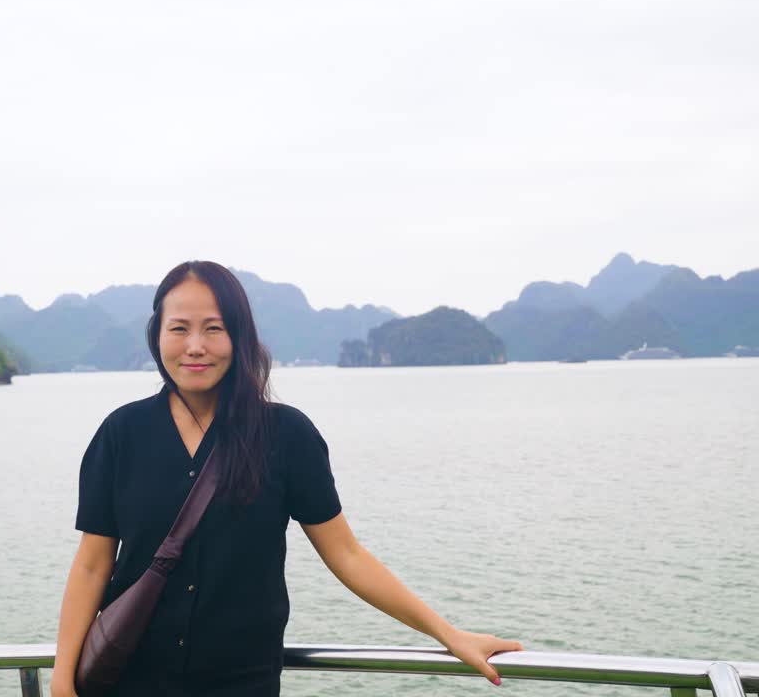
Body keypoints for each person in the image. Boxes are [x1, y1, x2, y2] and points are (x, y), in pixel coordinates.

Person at [51, 261, 521, 696]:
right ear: (158, 336)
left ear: (239, 338)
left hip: (240, 684)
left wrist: (448, 633)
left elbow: (347, 555)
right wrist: (62, 680)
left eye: (214, 329)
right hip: (131, 681)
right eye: (179, 329)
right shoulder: (121, 433)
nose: (195, 346)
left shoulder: (285, 435)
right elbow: (93, 564)